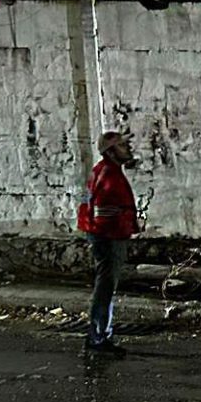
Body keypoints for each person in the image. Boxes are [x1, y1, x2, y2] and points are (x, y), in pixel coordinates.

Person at [77, 130, 143, 357]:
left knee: (105, 287)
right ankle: (98, 338)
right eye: (123, 146)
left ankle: (99, 335)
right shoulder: (109, 176)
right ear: (111, 152)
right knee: (105, 288)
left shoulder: (103, 171)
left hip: (104, 235)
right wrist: (124, 227)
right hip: (108, 237)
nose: (128, 149)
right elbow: (103, 214)